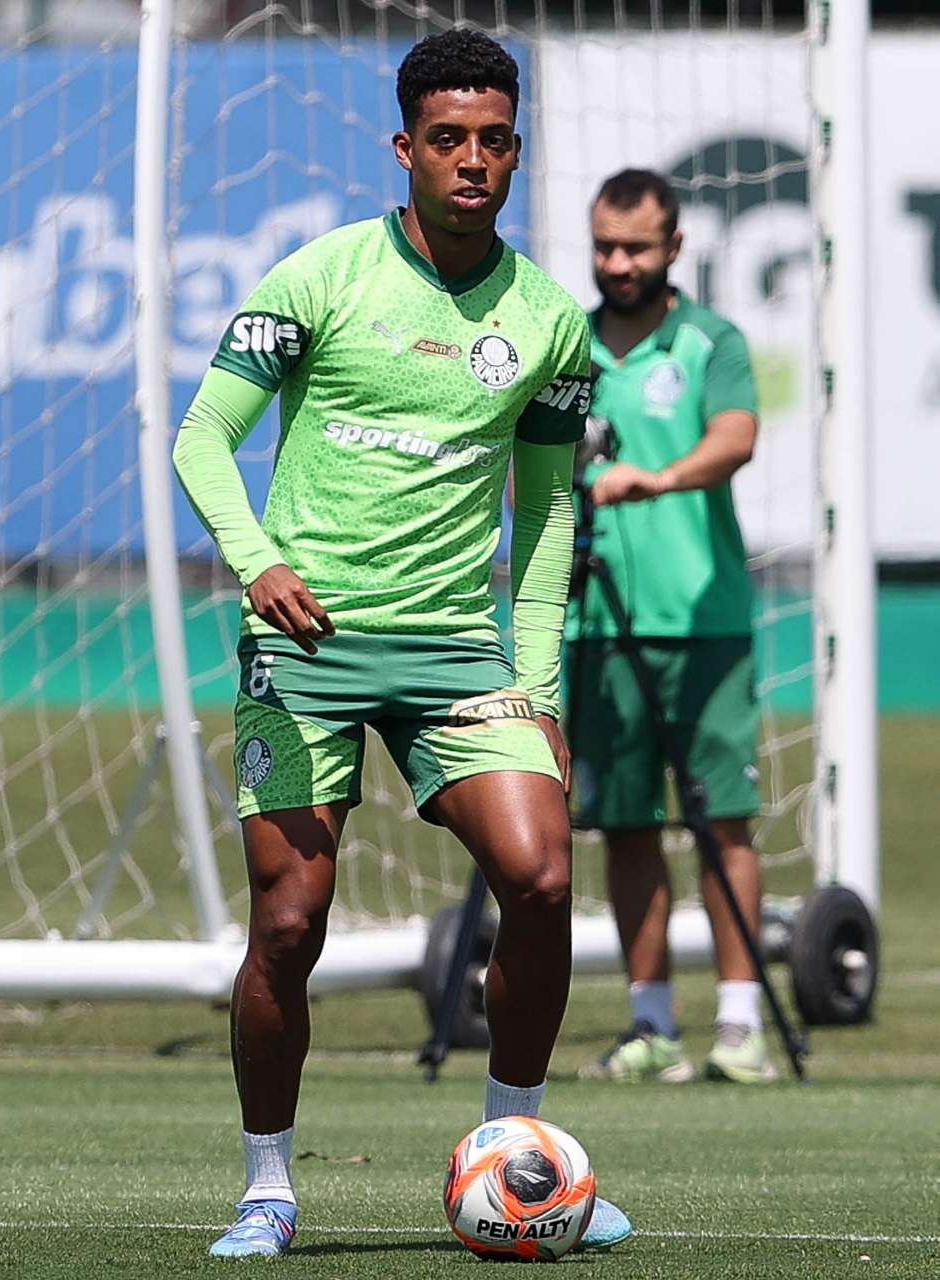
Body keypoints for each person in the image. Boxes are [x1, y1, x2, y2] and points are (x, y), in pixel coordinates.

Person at [173, 28, 631, 1259]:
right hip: (304, 646)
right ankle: (268, 1187)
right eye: (447, 139)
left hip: (457, 655)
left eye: (493, 140)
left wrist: (537, 685)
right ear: (405, 148)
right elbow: (201, 437)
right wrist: (258, 562)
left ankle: (517, 1154)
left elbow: (548, 512)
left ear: (516, 151)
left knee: (541, 876)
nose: (471, 160)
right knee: (289, 922)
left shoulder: (549, 323)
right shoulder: (318, 277)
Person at [568, 168, 776, 1085]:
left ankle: (741, 1025)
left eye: (637, 248)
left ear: (675, 248)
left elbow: (736, 437)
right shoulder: (567, 343)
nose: (619, 264)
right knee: (624, 824)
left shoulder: (709, 340)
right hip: (594, 623)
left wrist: (652, 480)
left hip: (702, 621)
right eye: (605, 247)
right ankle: (652, 1024)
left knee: (721, 818)